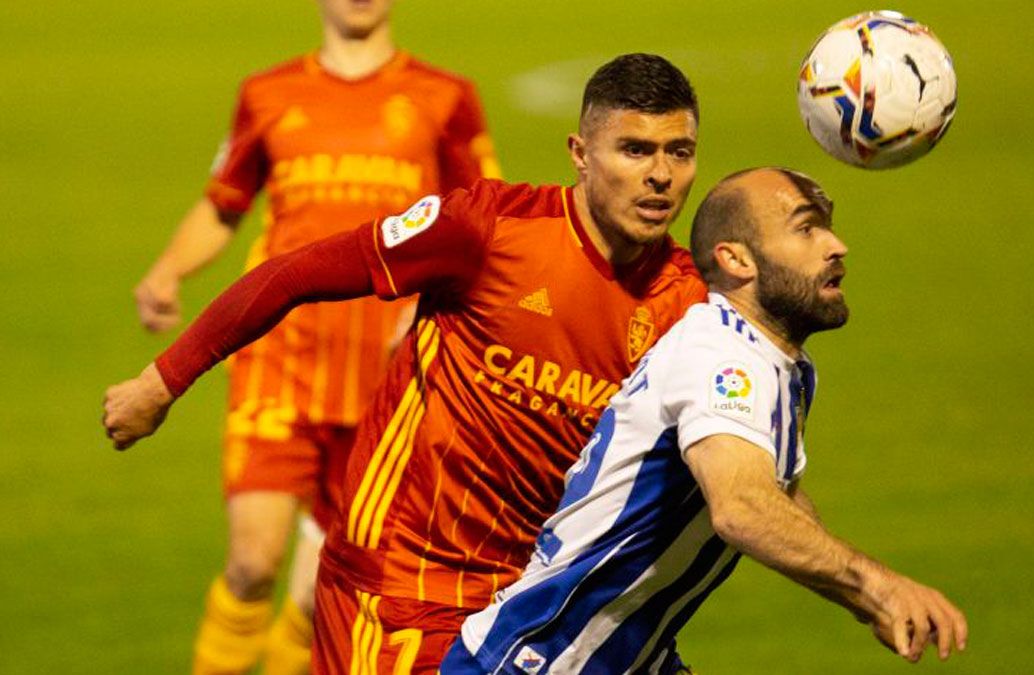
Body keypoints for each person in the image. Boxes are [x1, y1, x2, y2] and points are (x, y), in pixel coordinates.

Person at [104, 53, 709, 674]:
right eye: (635, 151)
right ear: (580, 153)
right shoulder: (488, 231)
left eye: (679, 152)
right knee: (253, 564)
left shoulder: (687, 305)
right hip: (399, 593)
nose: (660, 175)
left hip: (529, 603)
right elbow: (295, 273)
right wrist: (162, 381)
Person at [441, 167, 970, 674]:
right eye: (806, 228)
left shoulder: (780, 364)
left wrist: (866, 601)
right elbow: (743, 508)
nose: (836, 246)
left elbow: (774, 496)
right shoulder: (724, 359)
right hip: (543, 660)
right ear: (737, 259)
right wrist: (880, 586)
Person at [131, 1, 499, 672]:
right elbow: (225, 203)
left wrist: (429, 299)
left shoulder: (444, 96)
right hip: (281, 359)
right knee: (249, 562)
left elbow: (484, 220)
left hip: (387, 376)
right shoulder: (268, 93)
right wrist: (167, 270)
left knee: (316, 599)